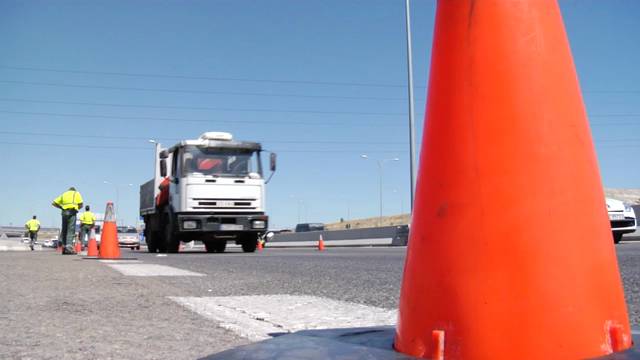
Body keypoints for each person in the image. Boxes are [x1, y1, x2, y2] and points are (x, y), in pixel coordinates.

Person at [52, 187, 84, 255]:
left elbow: (54, 203)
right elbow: (81, 204)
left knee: (64, 229)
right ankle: (69, 247)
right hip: (72, 212)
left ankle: (63, 246)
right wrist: (77, 208)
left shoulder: (64, 194)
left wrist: (61, 207)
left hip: (64, 213)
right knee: (71, 229)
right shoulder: (76, 193)